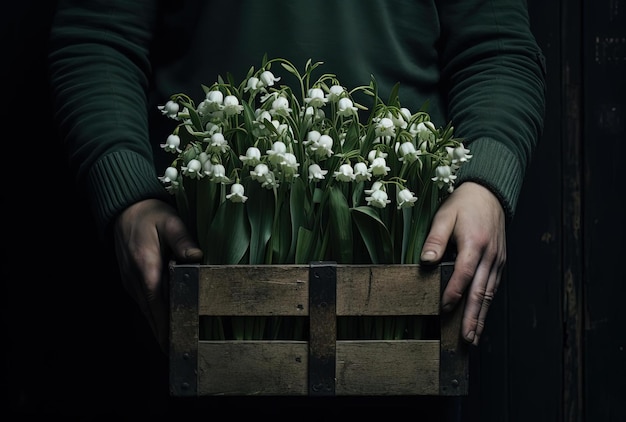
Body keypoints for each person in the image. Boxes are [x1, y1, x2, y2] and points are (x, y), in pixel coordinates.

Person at [46, 0, 546, 415]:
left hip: (410, 285)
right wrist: (128, 192)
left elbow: (496, 48)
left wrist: (484, 179)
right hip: (189, 274)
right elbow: (98, 34)